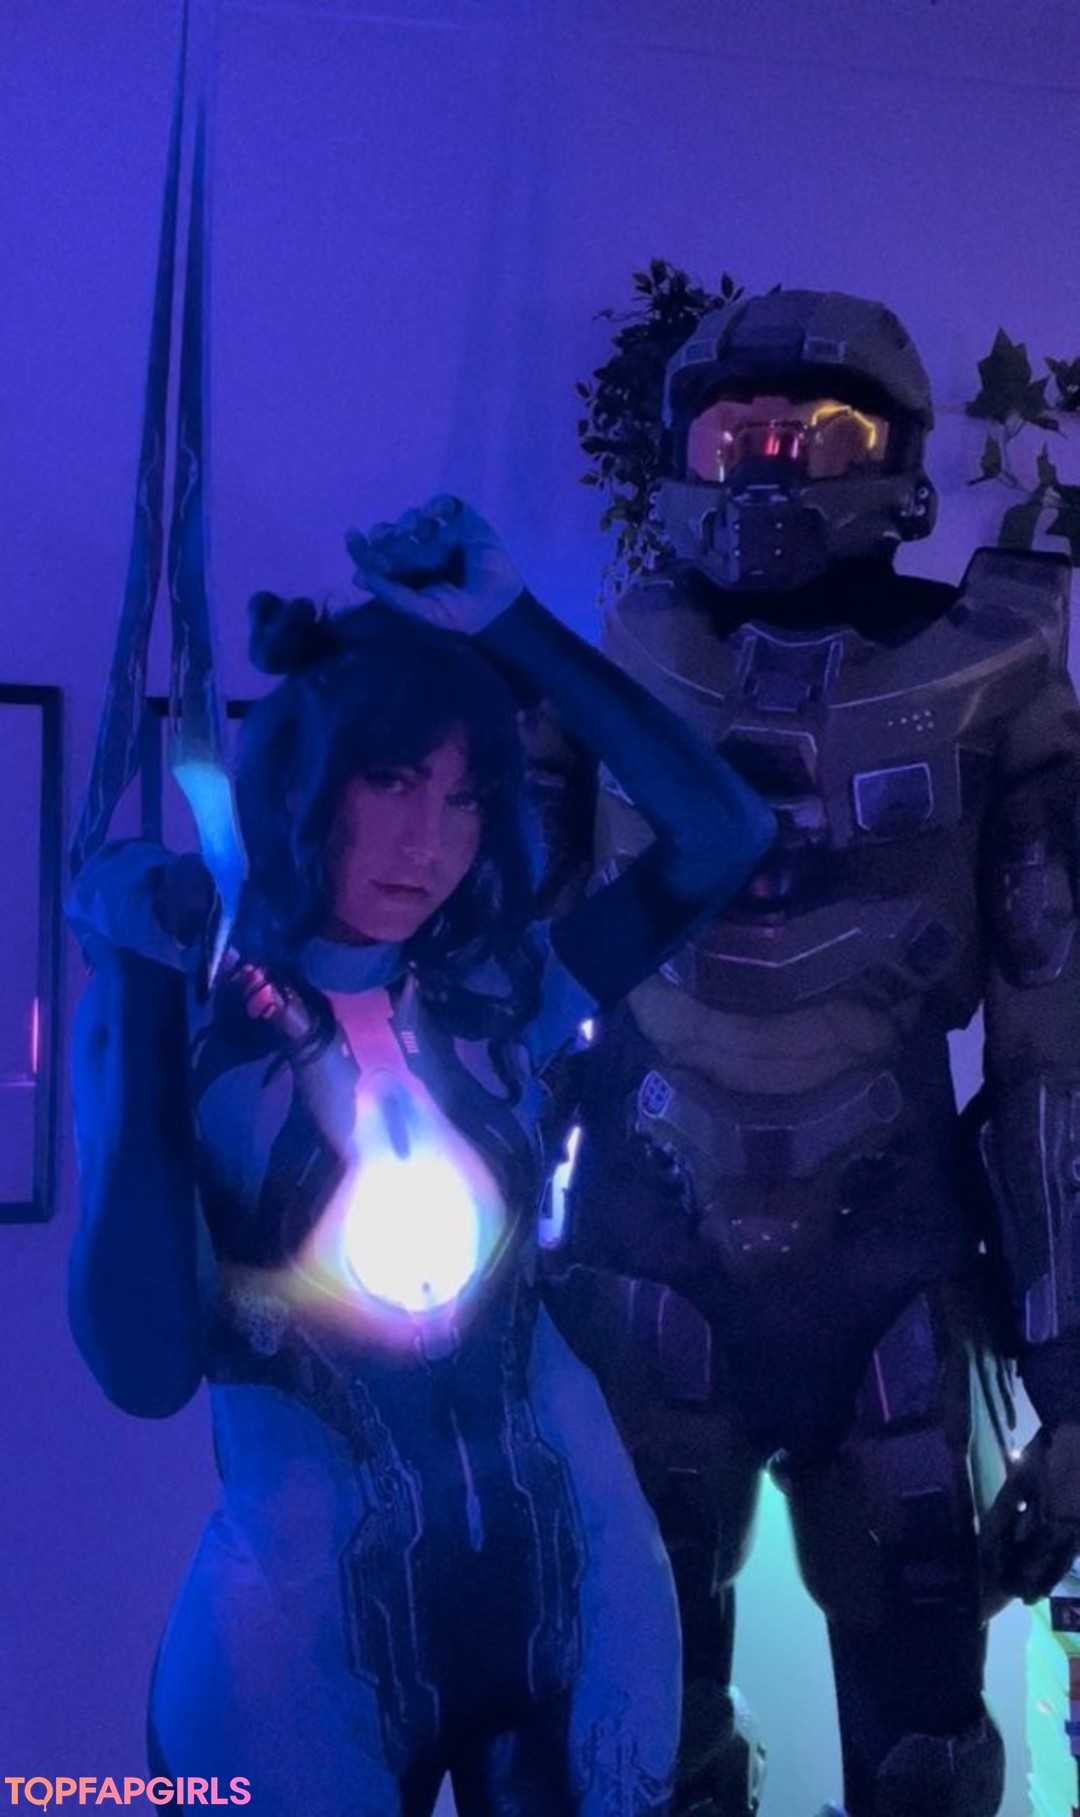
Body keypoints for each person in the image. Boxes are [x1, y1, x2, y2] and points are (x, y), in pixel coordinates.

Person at [67, 497, 775, 1817]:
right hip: (307, 1637)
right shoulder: (196, 1022)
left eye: (463, 796)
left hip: (582, 1587)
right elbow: (145, 1368)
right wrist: (137, 988)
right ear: (303, 781)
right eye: (391, 782)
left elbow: (724, 835)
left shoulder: (498, 992)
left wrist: (513, 624)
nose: (428, 843)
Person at [543, 290, 1080, 1817]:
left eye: (819, 435)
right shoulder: (614, 674)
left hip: (892, 1264)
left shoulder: (1001, 683)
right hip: (645, 1251)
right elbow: (493, 995)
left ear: (894, 460)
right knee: (632, 1742)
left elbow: (1054, 1052)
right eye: (738, 436)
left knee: (923, 1748)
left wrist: (1073, 1384)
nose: (773, 469)